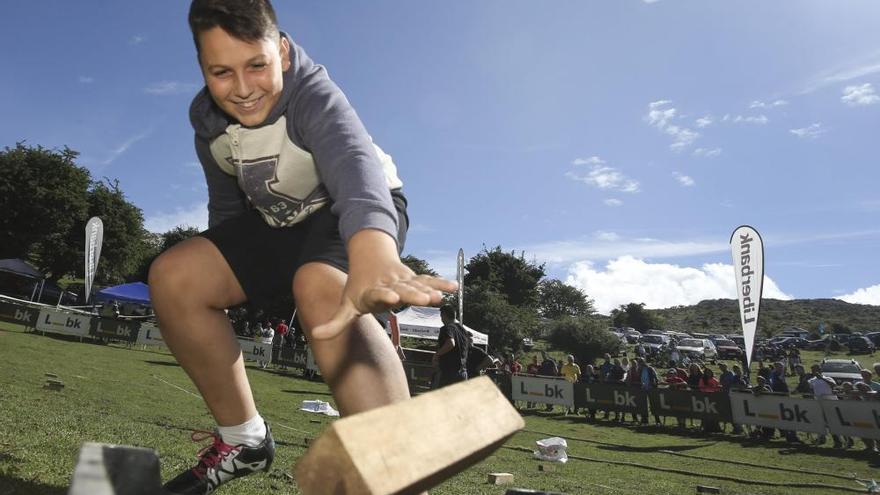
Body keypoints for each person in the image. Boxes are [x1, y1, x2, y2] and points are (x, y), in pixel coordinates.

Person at [150, 2, 456, 492]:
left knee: (320, 288)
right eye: (221, 72)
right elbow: (229, 213)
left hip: (353, 211)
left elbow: (354, 165)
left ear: (284, 52)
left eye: (256, 64)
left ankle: (397, 465)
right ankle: (244, 441)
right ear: (203, 69)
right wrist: (238, 283)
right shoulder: (209, 124)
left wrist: (374, 250)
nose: (243, 88)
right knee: (176, 276)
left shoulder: (313, 93)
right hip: (279, 224)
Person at [433, 304, 469, 387]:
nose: (441, 319)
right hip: (463, 373)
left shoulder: (447, 328)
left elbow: (451, 343)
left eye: (441, 316)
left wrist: (436, 355)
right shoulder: (463, 330)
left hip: (449, 373)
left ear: (444, 315)